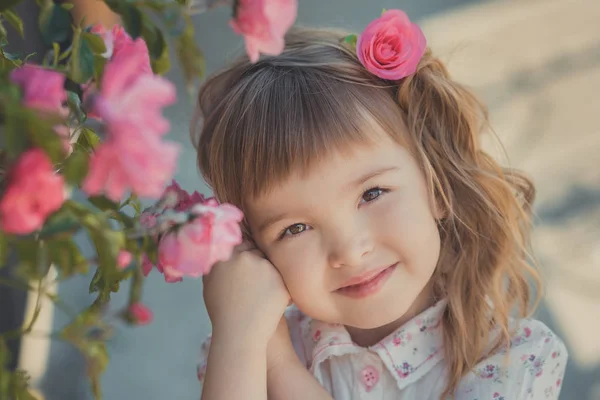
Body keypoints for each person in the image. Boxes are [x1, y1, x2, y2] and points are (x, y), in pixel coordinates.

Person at [191, 9, 567, 400]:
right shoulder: (244, 345)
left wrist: (278, 368)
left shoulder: (512, 361)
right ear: (256, 249)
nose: (350, 252)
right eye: (295, 229)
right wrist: (242, 340)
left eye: (372, 194)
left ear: (435, 183)